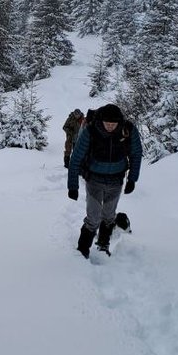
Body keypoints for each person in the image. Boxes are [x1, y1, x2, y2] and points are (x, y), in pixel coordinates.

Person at [67, 103, 142, 257]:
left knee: (108, 216)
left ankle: (103, 245)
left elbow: (136, 153)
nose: (109, 126)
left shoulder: (127, 130)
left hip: (116, 181)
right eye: (107, 123)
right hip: (94, 180)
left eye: (113, 124)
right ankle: (83, 250)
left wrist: (132, 179)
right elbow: (76, 158)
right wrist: (73, 186)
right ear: (101, 121)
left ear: (118, 122)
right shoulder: (91, 131)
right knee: (93, 218)